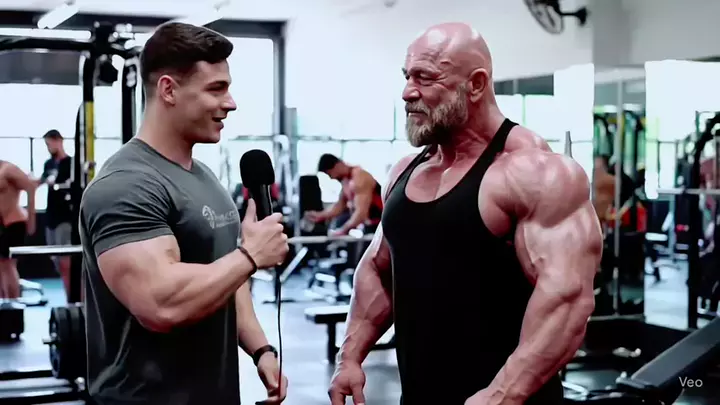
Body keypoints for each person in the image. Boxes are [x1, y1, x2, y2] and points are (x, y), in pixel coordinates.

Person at [328, 22, 603, 405]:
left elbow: (568, 300)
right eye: (407, 77)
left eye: (425, 78)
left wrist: (502, 394)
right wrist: (350, 356)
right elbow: (379, 267)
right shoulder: (406, 171)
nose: (408, 92)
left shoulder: (534, 171)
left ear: (475, 84)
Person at [78, 22, 289, 405]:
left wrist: (261, 349)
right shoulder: (126, 185)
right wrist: (250, 256)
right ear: (169, 90)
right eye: (216, 89)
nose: (231, 103)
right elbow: (160, 303)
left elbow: (227, 277)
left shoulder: (204, 178)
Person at [305, 154, 384, 235]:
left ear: (338, 165)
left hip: (382, 225)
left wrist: (341, 231)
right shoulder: (345, 181)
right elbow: (339, 206)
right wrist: (320, 215)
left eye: (330, 174)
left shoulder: (359, 177)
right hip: (370, 226)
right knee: (339, 222)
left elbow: (361, 213)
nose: (332, 178)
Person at [38, 129, 74, 299]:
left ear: (59, 141)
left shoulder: (70, 163)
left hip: (64, 217)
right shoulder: (48, 164)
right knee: (57, 263)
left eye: (49, 143)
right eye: (46, 144)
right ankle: (70, 297)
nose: (48, 147)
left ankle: (72, 301)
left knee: (66, 262)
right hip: (51, 217)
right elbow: (40, 181)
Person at [0, 160, 36, 298]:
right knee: (2, 266)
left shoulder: (9, 169)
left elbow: (30, 187)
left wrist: (32, 220)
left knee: (8, 265)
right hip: (3, 224)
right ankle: (5, 304)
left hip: (14, 223)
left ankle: (14, 305)